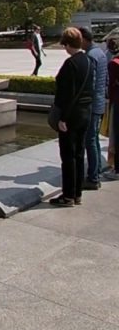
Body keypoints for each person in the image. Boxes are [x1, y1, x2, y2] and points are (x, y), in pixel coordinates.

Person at [50, 27, 94, 207]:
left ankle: (68, 196)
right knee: (79, 153)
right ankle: (77, 194)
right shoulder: (88, 60)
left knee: (67, 156)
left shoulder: (70, 64)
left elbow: (65, 94)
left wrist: (62, 119)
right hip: (85, 112)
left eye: (65, 45)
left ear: (68, 44)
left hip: (71, 115)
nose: (65, 48)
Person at [79, 27, 107, 190]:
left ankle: (93, 178)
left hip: (91, 104)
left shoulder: (90, 56)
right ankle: (95, 172)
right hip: (99, 102)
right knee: (94, 140)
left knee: (90, 141)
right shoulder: (101, 53)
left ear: (84, 39)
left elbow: (91, 83)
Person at [106, 37, 119, 180]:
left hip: (117, 102)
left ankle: (117, 169)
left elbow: (110, 87)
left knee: (116, 135)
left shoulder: (114, 64)